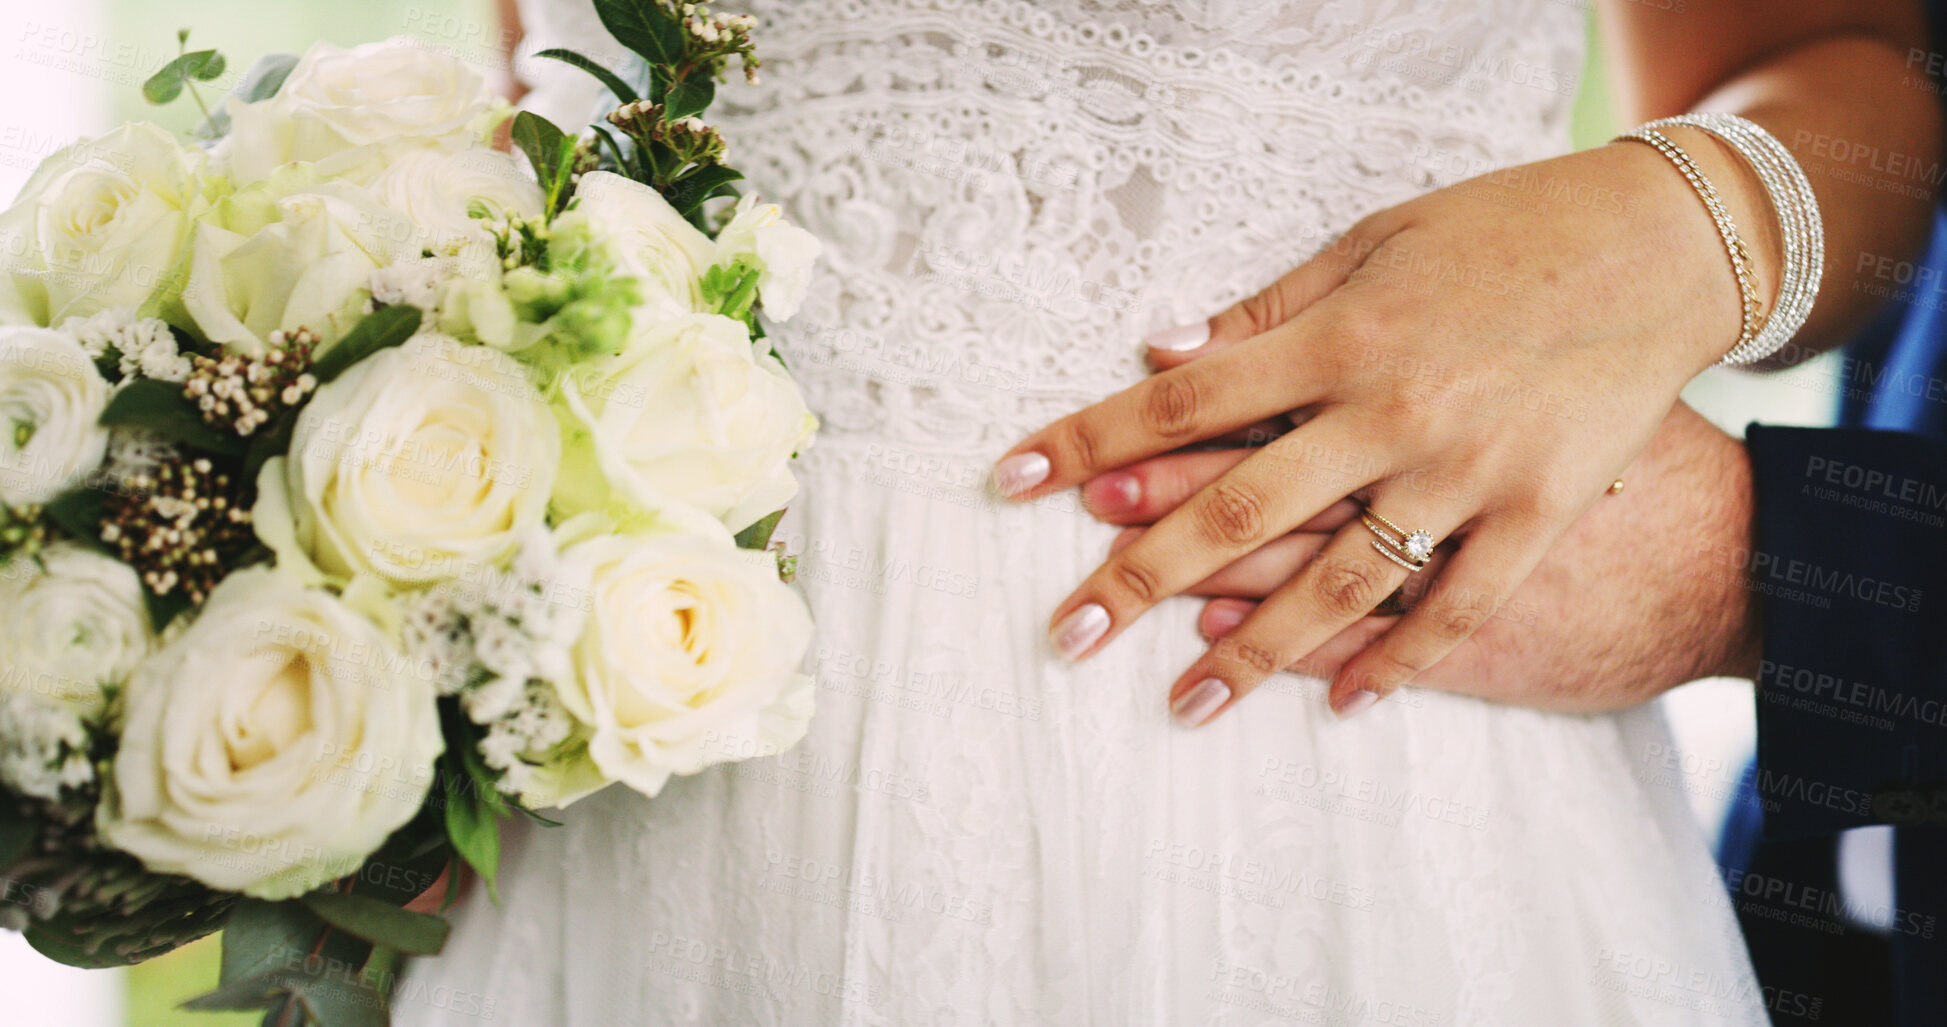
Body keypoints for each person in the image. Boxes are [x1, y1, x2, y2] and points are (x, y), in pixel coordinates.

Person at [395, 1, 1937, 1023]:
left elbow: (1852, 63)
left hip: (1345, 720)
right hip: (648, 744)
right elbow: (560, 81)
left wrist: (1676, 229)